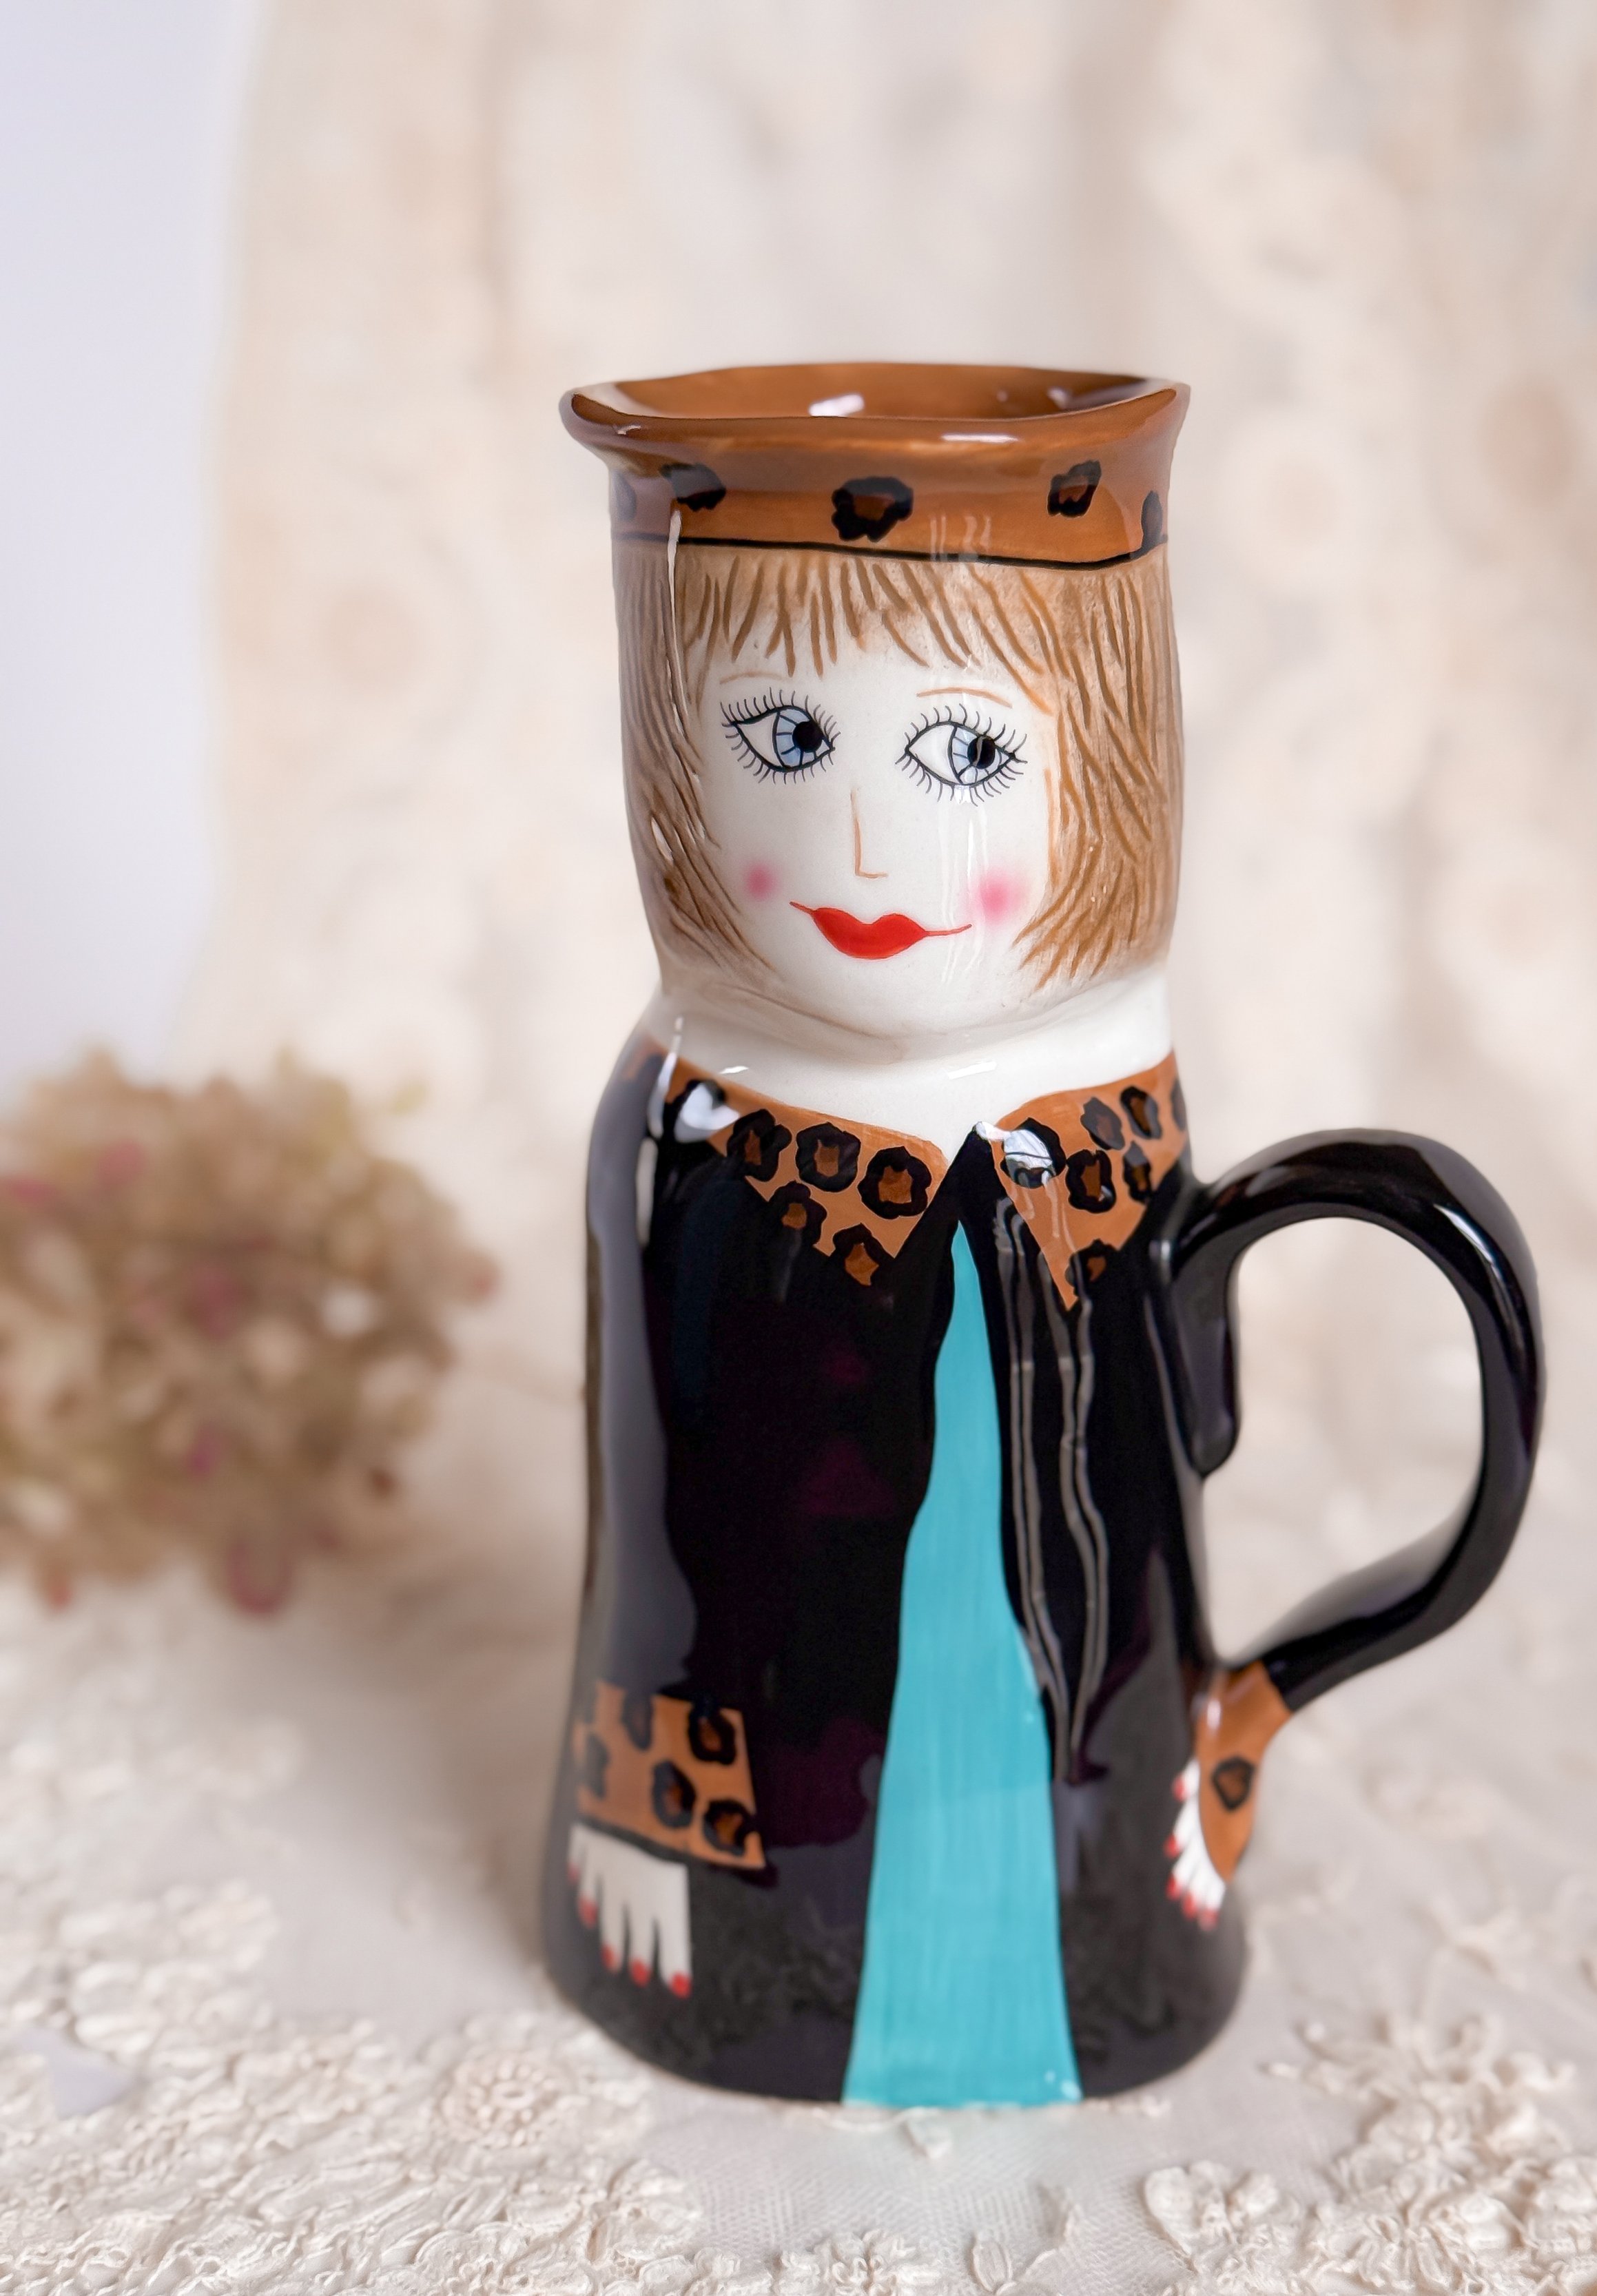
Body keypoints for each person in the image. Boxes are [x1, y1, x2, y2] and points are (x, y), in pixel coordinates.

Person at [544, 378, 1264, 2102]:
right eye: (784, 741)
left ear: (1105, 758)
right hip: (748, 1897)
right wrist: (645, 1828)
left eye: (966, 752)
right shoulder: (689, 1131)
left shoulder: (1107, 1126)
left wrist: (1231, 1737)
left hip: (1096, 1867)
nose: (866, 847)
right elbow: (661, 1555)